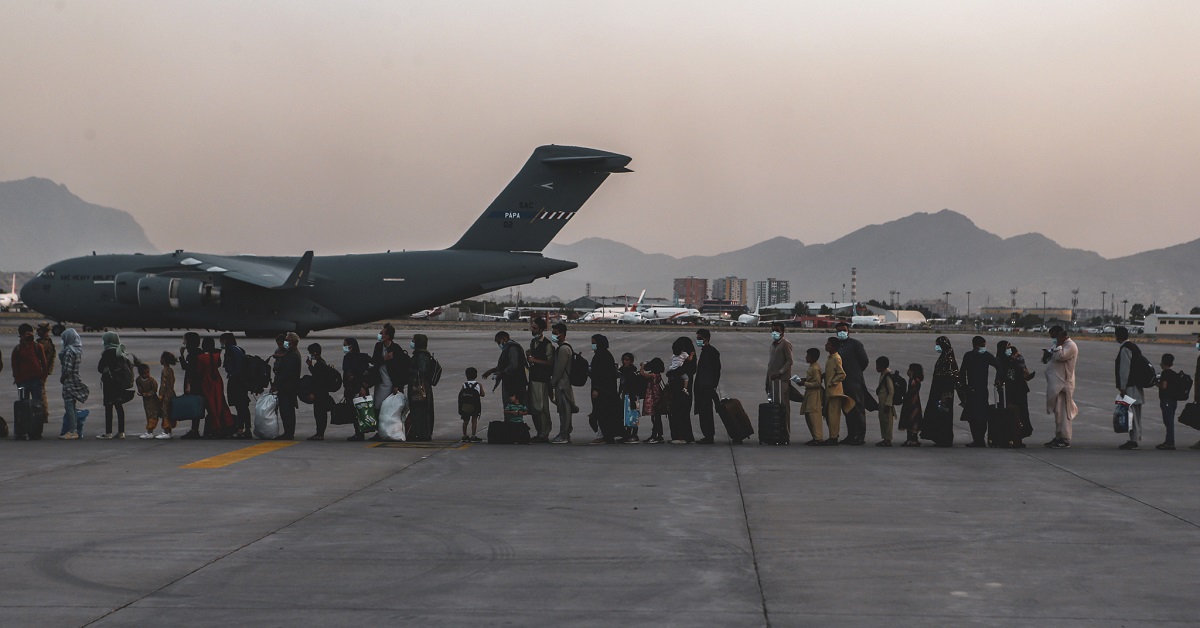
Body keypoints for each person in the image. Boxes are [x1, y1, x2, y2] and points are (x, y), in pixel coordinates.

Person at [834, 321, 869, 445]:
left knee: (858, 408)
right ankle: (851, 435)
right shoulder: (838, 345)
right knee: (847, 409)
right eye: (839, 330)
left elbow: (864, 361)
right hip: (843, 382)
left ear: (849, 331)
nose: (842, 332)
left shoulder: (855, 344)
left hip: (854, 381)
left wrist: (856, 373)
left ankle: (860, 436)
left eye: (844, 330)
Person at [1043, 325, 1079, 449]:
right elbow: (1052, 357)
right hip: (1057, 383)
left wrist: (1058, 343)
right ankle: (1058, 436)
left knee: (1064, 413)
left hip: (1064, 383)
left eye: (1054, 336)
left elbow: (1060, 356)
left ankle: (1065, 439)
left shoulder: (1070, 345)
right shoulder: (1059, 345)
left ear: (1060, 335)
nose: (1053, 339)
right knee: (1057, 412)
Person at [959, 335, 997, 448]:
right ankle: (976, 439)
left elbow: (998, 366)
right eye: (982, 346)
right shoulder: (969, 356)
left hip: (982, 391)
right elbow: (962, 372)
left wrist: (998, 379)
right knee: (972, 417)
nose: (984, 347)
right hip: (971, 390)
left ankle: (980, 439)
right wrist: (964, 386)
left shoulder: (986, 356)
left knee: (982, 416)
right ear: (975, 345)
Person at [921, 336, 958, 447]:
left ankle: (944, 438)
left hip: (944, 393)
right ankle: (939, 437)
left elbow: (951, 375)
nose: (937, 347)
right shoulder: (944, 356)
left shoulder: (948, 358)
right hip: (939, 391)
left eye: (938, 344)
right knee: (938, 413)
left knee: (943, 414)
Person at [995, 341, 1032, 448]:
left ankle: (1018, 438)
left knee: (1022, 415)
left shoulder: (1016, 359)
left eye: (1010, 347)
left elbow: (1026, 373)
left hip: (1020, 391)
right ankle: (1010, 438)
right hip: (1008, 392)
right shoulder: (1000, 361)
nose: (1009, 349)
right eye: (1007, 347)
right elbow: (999, 375)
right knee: (1010, 416)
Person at [96, 331, 132, 439]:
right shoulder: (120, 351)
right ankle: (121, 432)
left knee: (108, 407)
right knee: (119, 406)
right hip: (119, 383)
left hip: (109, 383)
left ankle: (108, 432)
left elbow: (99, 368)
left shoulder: (107, 352)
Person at [588, 334, 623, 444]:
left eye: (594, 343)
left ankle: (603, 435)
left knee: (601, 412)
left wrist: (597, 389)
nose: (592, 345)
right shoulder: (605, 355)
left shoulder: (602, 356)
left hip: (603, 391)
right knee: (605, 413)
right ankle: (608, 435)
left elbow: (602, 374)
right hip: (607, 390)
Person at [197, 336, 235, 438]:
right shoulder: (216, 355)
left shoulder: (201, 357)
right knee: (220, 403)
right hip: (217, 380)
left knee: (211, 405)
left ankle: (215, 426)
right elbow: (218, 365)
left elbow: (199, 371)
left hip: (207, 381)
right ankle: (226, 424)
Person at [1115, 326, 1145, 450]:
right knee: (1136, 414)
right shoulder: (1134, 347)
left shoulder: (1125, 349)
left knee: (1130, 414)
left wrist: (1122, 387)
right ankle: (1135, 438)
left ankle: (1133, 440)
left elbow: (1124, 370)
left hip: (1130, 387)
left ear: (1118, 336)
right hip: (1137, 385)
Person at [370, 323, 410, 417]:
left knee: (390, 408)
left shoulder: (396, 349)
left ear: (387, 336)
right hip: (380, 382)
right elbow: (374, 362)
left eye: (382, 333)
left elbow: (401, 370)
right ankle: (380, 430)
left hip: (392, 383)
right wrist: (383, 359)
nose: (380, 334)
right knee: (378, 406)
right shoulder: (378, 346)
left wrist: (397, 385)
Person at [12, 323, 49, 424]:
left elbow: (45, 364)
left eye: (31, 334)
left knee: (37, 404)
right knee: (23, 404)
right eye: (27, 334)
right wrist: (17, 379)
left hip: (36, 380)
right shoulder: (17, 349)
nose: (31, 336)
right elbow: (14, 365)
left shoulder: (38, 347)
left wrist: (43, 379)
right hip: (23, 381)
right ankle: (25, 424)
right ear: (21, 336)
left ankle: (37, 425)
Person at [483, 331, 528, 412]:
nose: (499, 345)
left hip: (514, 384)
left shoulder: (512, 348)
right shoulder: (509, 347)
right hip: (512, 382)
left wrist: (502, 373)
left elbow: (513, 365)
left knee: (512, 409)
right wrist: (492, 371)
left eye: (498, 342)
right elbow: (505, 365)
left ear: (504, 339)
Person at [57, 328, 89, 440]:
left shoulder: (69, 351)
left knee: (69, 405)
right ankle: (75, 430)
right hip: (75, 379)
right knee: (72, 405)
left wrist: (62, 378)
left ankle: (72, 431)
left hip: (69, 382)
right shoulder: (77, 350)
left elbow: (67, 369)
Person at [526, 317, 554, 443]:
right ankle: (539, 432)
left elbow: (550, 362)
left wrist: (534, 360)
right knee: (534, 407)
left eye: (535, 328)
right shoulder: (533, 342)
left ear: (541, 330)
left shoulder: (547, 344)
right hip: (533, 377)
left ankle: (544, 432)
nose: (532, 330)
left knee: (542, 407)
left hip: (542, 379)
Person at [692, 328, 722, 445]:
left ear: (706, 339)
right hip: (702, 387)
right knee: (703, 412)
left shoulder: (712, 352)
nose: (698, 341)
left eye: (700, 338)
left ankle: (709, 435)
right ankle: (707, 435)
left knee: (706, 412)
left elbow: (716, 371)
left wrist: (713, 386)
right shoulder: (704, 351)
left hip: (706, 387)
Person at [765, 322, 793, 442]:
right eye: (772, 330)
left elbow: (789, 361)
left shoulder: (785, 344)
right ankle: (776, 434)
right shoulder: (773, 345)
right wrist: (767, 381)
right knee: (775, 410)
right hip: (772, 383)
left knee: (783, 409)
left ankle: (785, 435)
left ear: (782, 331)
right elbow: (770, 365)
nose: (774, 332)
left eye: (776, 330)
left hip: (781, 382)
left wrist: (780, 372)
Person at [304, 343, 338, 441]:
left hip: (320, 394)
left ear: (314, 353)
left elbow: (318, 380)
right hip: (322, 393)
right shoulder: (321, 362)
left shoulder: (320, 364)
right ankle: (319, 433)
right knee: (320, 414)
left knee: (319, 414)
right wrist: (310, 366)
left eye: (310, 353)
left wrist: (313, 393)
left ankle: (320, 434)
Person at [220, 333, 252, 439]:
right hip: (243, 380)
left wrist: (233, 375)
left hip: (237, 380)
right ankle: (246, 428)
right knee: (243, 406)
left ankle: (241, 429)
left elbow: (233, 367)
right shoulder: (239, 349)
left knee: (240, 406)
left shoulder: (230, 350)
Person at [549, 323, 577, 444]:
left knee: (565, 411)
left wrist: (553, 382)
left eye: (555, 333)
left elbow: (559, 369)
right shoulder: (562, 348)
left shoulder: (564, 349)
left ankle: (564, 434)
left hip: (562, 384)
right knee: (563, 410)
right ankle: (564, 433)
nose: (553, 335)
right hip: (563, 383)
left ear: (562, 334)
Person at [271, 332, 302, 440]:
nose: (285, 342)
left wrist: (277, 384)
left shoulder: (293, 355)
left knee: (287, 410)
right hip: (288, 387)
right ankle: (288, 432)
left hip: (288, 387)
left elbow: (286, 373)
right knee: (287, 410)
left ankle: (288, 433)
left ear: (292, 342)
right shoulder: (291, 353)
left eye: (287, 340)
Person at [823, 337, 853, 446]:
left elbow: (842, 374)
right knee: (829, 415)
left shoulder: (836, 358)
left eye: (828, 344)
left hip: (834, 392)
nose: (826, 345)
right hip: (829, 392)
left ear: (834, 347)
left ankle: (834, 437)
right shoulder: (830, 358)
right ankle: (832, 435)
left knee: (833, 416)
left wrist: (832, 382)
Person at [342, 337, 373, 442]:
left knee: (360, 412)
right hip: (350, 389)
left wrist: (363, 387)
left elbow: (365, 373)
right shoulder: (347, 358)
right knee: (354, 412)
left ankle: (360, 433)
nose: (344, 347)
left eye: (345, 345)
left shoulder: (361, 358)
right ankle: (358, 432)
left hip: (359, 388)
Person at [407, 334, 437, 441]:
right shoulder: (420, 354)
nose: (412, 343)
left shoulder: (421, 356)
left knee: (420, 411)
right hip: (420, 386)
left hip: (420, 388)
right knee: (418, 410)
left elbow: (422, 371)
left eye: (414, 341)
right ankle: (418, 432)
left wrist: (409, 370)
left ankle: (422, 433)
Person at [666, 336, 695, 444]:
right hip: (683, 389)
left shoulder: (684, 361)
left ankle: (681, 436)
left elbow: (678, 371)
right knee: (681, 412)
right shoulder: (686, 359)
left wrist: (671, 374)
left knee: (679, 412)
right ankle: (684, 436)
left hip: (680, 391)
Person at [796, 347, 825, 445]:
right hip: (809, 394)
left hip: (814, 395)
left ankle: (818, 438)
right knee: (809, 416)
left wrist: (804, 383)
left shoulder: (815, 368)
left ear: (812, 358)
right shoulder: (812, 367)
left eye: (808, 356)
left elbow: (817, 383)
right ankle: (815, 437)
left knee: (814, 416)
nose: (806, 357)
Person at [178, 332, 204, 439]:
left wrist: (188, 384)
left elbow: (188, 370)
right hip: (200, 382)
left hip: (194, 383)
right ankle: (196, 429)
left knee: (195, 406)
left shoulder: (192, 355)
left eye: (185, 340)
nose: (183, 342)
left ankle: (194, 430)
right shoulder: (199, 352)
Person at [1155, 354, 1180, 450]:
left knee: (1168, 422)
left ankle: (1170, 442)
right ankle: (1169, 441)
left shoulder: (1165, 373)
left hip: (1166, 400)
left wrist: (1156, 383)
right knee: (1170, 421)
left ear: (1163, 363)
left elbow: (1164, 386)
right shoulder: (1174, 374)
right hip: (1173, 400)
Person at [135, 363, 166, 439]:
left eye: (148, 372)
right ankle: (150, 430)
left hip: (153, 401)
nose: (147, 374)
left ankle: (150, 431)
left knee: (153, 415)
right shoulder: (138, 380)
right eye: (145, 373)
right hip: (146, 402)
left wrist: (146, 394)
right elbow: (139, 387)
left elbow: (154, 390)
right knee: (148, 415)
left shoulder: (151, 381)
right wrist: (140, 391)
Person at [639, 357, 666, 444]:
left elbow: (642, 374)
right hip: (657, 398)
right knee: (656, 418)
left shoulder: (654, 375)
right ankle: (658, 435)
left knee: (655, 418)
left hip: (655, 399)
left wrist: (642, 366)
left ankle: (655, 435)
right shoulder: (657, 375)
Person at [618, 352, 642, 443]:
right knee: (626, 415)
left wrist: (633, 398)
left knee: (634, 415)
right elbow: (621, 384)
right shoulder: (622, 371)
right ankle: (627, 434)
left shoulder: (632, 373)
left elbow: (633, 386)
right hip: (625, 395)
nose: (625, 362)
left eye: (627, 360)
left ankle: (634, 434)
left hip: (633, 396)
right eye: (624, 360)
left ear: (631, 361)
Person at [36, 323, 57, 424]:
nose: (37, 332)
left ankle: (44, 414)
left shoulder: (44, 343)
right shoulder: (45, 342)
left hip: (41, 371)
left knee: (41, 392)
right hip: (42, 370)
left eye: (39, 330)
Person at [899, 363, 924, 446]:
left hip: (913, 404)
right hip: (910, 403)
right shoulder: (913, 380)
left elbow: (912, 391)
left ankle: (914, 439)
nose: (908, 371)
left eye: (910, 370)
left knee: (913, 420)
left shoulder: (915, 381)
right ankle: (909, 438)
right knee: (908, 421)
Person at [875, 356, 896, 447]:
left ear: (882, 366)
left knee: (887, 422)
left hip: (886, 403)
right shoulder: (883, 373)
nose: (876, 368)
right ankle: (885, 438)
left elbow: (891, 391)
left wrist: (888, 404)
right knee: (883, 420)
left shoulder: (887, 375)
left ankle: (888, 440)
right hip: (882, 402)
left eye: (877, 366)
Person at [460, 367, 484, 442]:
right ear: (476, 375)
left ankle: (464, 435)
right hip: (475, 405)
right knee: (474, 420)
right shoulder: (478, 384)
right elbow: (482, 394)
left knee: (465, 420)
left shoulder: (464, 384)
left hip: (465, 405)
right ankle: (473, 435)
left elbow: (461, 394)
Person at [158, 351, 177, 440]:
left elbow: (163, 384)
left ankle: (167, 431)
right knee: (170, 411)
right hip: (171, 392)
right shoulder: (171, 370)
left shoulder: (164, 371)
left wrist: (161, 395)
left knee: (165, 411)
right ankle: (169, 430)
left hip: (166, 394)